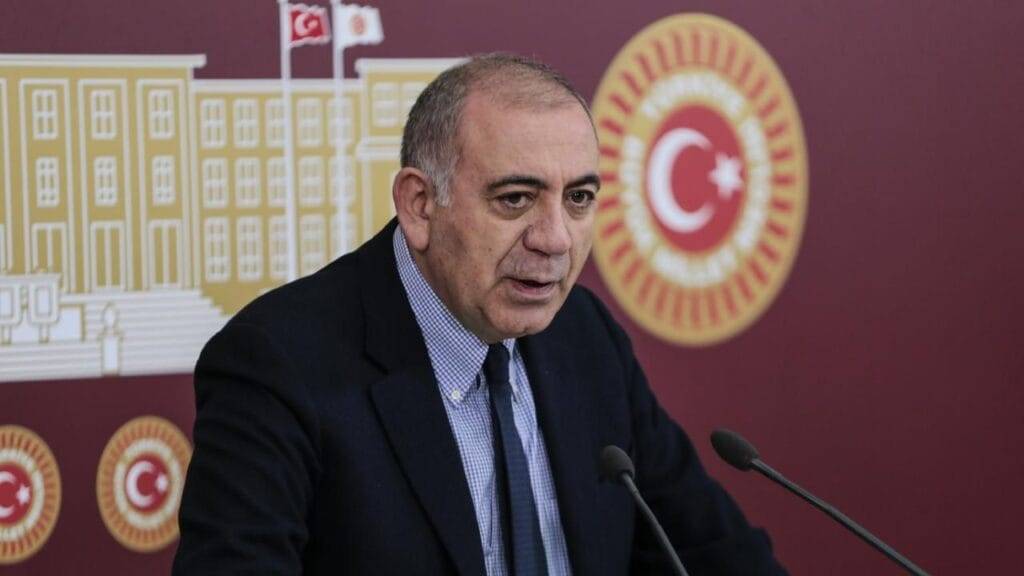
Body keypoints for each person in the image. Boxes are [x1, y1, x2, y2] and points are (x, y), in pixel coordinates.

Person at [173, 53, 786, 576]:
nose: (555, 239)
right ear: (420, 205)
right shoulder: (279, 365)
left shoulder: (585, 336)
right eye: (515, 199)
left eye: (578, 198)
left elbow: (717, 554)